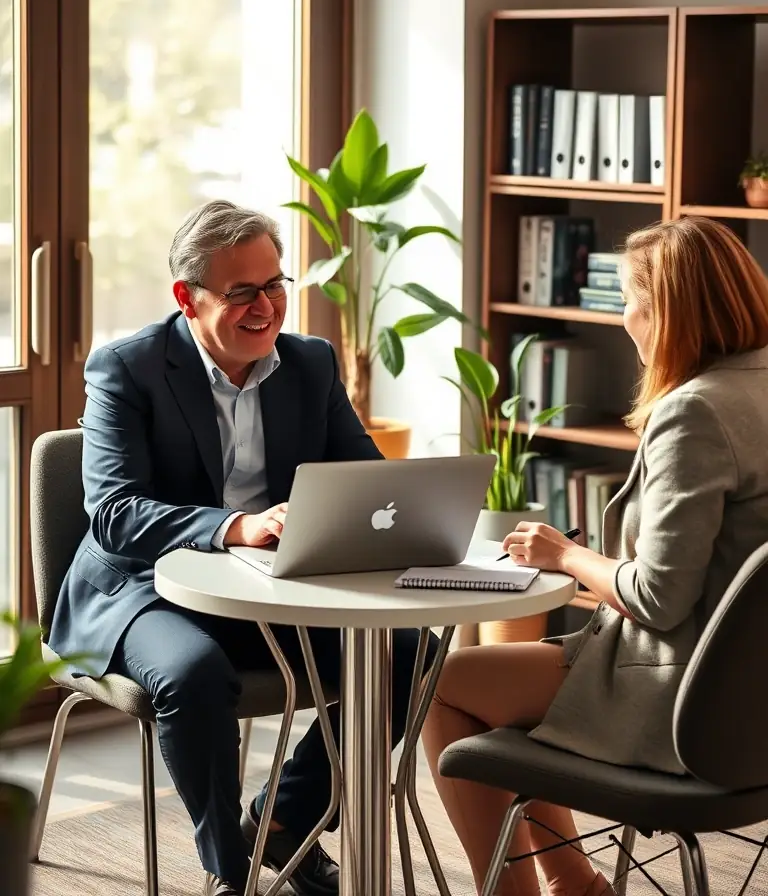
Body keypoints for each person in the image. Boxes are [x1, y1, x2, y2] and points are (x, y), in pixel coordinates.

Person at [48, 200, 439, 896]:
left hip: (267, 586)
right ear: (187, 297)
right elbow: (115, 514)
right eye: (242, 292)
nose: (266, 307)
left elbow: (365, 478)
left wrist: (411, 517)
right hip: (145, 590)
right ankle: (230, 869)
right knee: (194, 676)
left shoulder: (309, 362)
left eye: (275, 284)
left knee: (409, 653)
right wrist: (236, 526)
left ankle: (283, 819)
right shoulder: (128, 369)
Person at [422, 217, 768, 896]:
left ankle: (533, 891)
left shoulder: (696, 412)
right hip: (754, 705)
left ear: (667, 312)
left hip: (687, 701)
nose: (623, 317)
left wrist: (565, 555)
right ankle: (574, 884)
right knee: (491, 685)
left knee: (445, 683)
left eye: (629, 300)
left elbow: (659, 598)